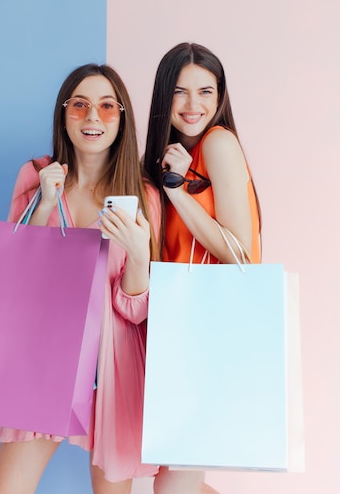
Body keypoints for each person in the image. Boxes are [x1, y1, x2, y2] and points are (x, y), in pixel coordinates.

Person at [0, 63, 160, 494]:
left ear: (122, 119)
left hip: (116, 367)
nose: (92, 117)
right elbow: (11, 280)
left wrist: (139, 258)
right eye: (79, 105)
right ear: (63, 114)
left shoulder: (144, 197)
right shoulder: (36, 177)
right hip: (44, 356)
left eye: (107, 106)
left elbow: (135, 311)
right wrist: (44, 205)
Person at [143, 42, 261, 494]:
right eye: (180, 92)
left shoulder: (219, 142)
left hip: (209, 328)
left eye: (206, 92)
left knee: (173, 486)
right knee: (176, 484)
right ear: (163, 97)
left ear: (220, 97)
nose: (194, 106)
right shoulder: (167, 156)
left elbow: (239, 254)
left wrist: (176, 191)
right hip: (176, 329)